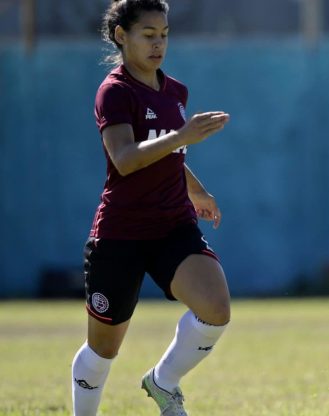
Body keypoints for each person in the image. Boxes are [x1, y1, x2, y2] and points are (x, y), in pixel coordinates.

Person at [71, 1, 231, 415]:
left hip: (172, 224)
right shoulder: (115, 91)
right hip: (121, 233)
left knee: (215, 308)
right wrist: (182, 135)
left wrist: (196, 189)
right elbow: (125, 158)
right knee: (103, 350)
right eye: (148, 34)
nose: (158, 43)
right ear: (122, 36)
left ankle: (163, 382)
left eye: (164, 34)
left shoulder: (174, 90)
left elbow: (169, 154)